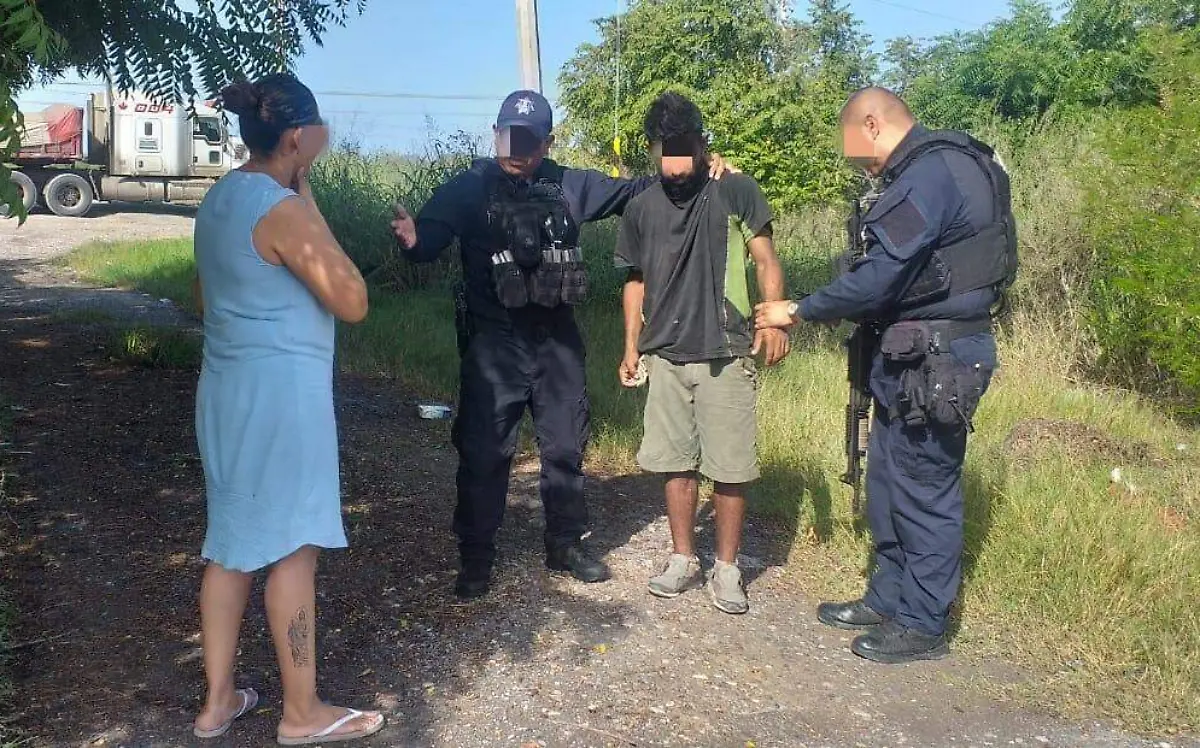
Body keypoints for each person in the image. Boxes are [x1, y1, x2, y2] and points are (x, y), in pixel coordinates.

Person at [390, 90, 737, 600]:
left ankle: (565, 545)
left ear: (547, 142)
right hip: (494, 345)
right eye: (509, 136)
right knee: (484, 452)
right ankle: (477, 556)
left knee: (566, 447)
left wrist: (704, 166)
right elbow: (428, 240)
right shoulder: (470, 188)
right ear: (496, 134)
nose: (517, 148)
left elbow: (640, 189)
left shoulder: (571, 184)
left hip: (556, 341)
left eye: (529, 140)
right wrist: (411, 240)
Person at [754, 87, 1017, 661]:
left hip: (939, 357)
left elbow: (880, 277)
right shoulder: (933, 169)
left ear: (871, 124)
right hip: (912, 352)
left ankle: (922, 624)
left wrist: (798, 310)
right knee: (889, 482)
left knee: (924, 488)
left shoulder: (930, 173)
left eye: (852, 144)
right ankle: (889, 597)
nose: (855, 160)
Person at [190, 73, 385, 743]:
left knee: (230, 546)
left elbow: (204, 298)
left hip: (224, 392)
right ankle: (301, 714)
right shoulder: (284, 209)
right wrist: (308, 200)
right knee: (295, 548)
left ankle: (217, 702)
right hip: (282, 401)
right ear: (298, 137)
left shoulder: (219, 198)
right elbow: (353, 300)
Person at [615, 91, 790, 615]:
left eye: (683, 150)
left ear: (700, 144)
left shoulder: (735, 190)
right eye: (663, 152)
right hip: (665, 355)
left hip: (726, 351)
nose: (674, 164)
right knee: (675, 464)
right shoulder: (640, 207)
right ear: (651, 150)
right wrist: (630, 346)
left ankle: (728, 567)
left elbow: (766, 259)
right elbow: (635, 282)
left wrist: (774, 316)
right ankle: (682, 558)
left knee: (730, 467)